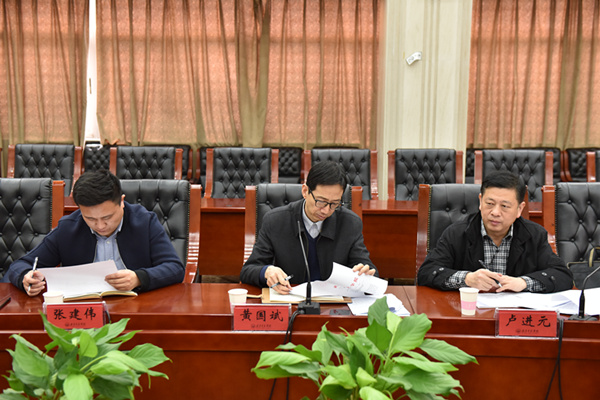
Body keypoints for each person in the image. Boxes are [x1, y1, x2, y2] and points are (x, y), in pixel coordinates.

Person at [3, 170, 185, 295]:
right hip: (83, 310)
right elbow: (21, 265)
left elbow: (174, 267)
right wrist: (26, 277)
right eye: (90, 218)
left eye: (108, 217)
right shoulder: (68, 228)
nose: (100, 225)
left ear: (122, 202)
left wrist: (139, 278)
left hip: (136, 304)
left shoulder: (145, 222)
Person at [417, 170, 572, 293]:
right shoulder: (457, 233)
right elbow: (426, 272)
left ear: (520, 209)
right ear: (480, 201)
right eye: (490, 203)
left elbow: (562, 275)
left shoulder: (534, 235)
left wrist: (523, 282)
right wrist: (467, 279)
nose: (495, 212)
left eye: (504, 206)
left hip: (513, 313)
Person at [240, 160, 377, 294]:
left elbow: (370, 272)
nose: (326, 211)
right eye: (321, 201)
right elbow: (248, 271)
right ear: (305, 191)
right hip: (290, 298)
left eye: (335, 203)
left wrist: (366, 275)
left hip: (333, 303)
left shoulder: (350, 223)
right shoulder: (275, 220)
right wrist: (266, 271)